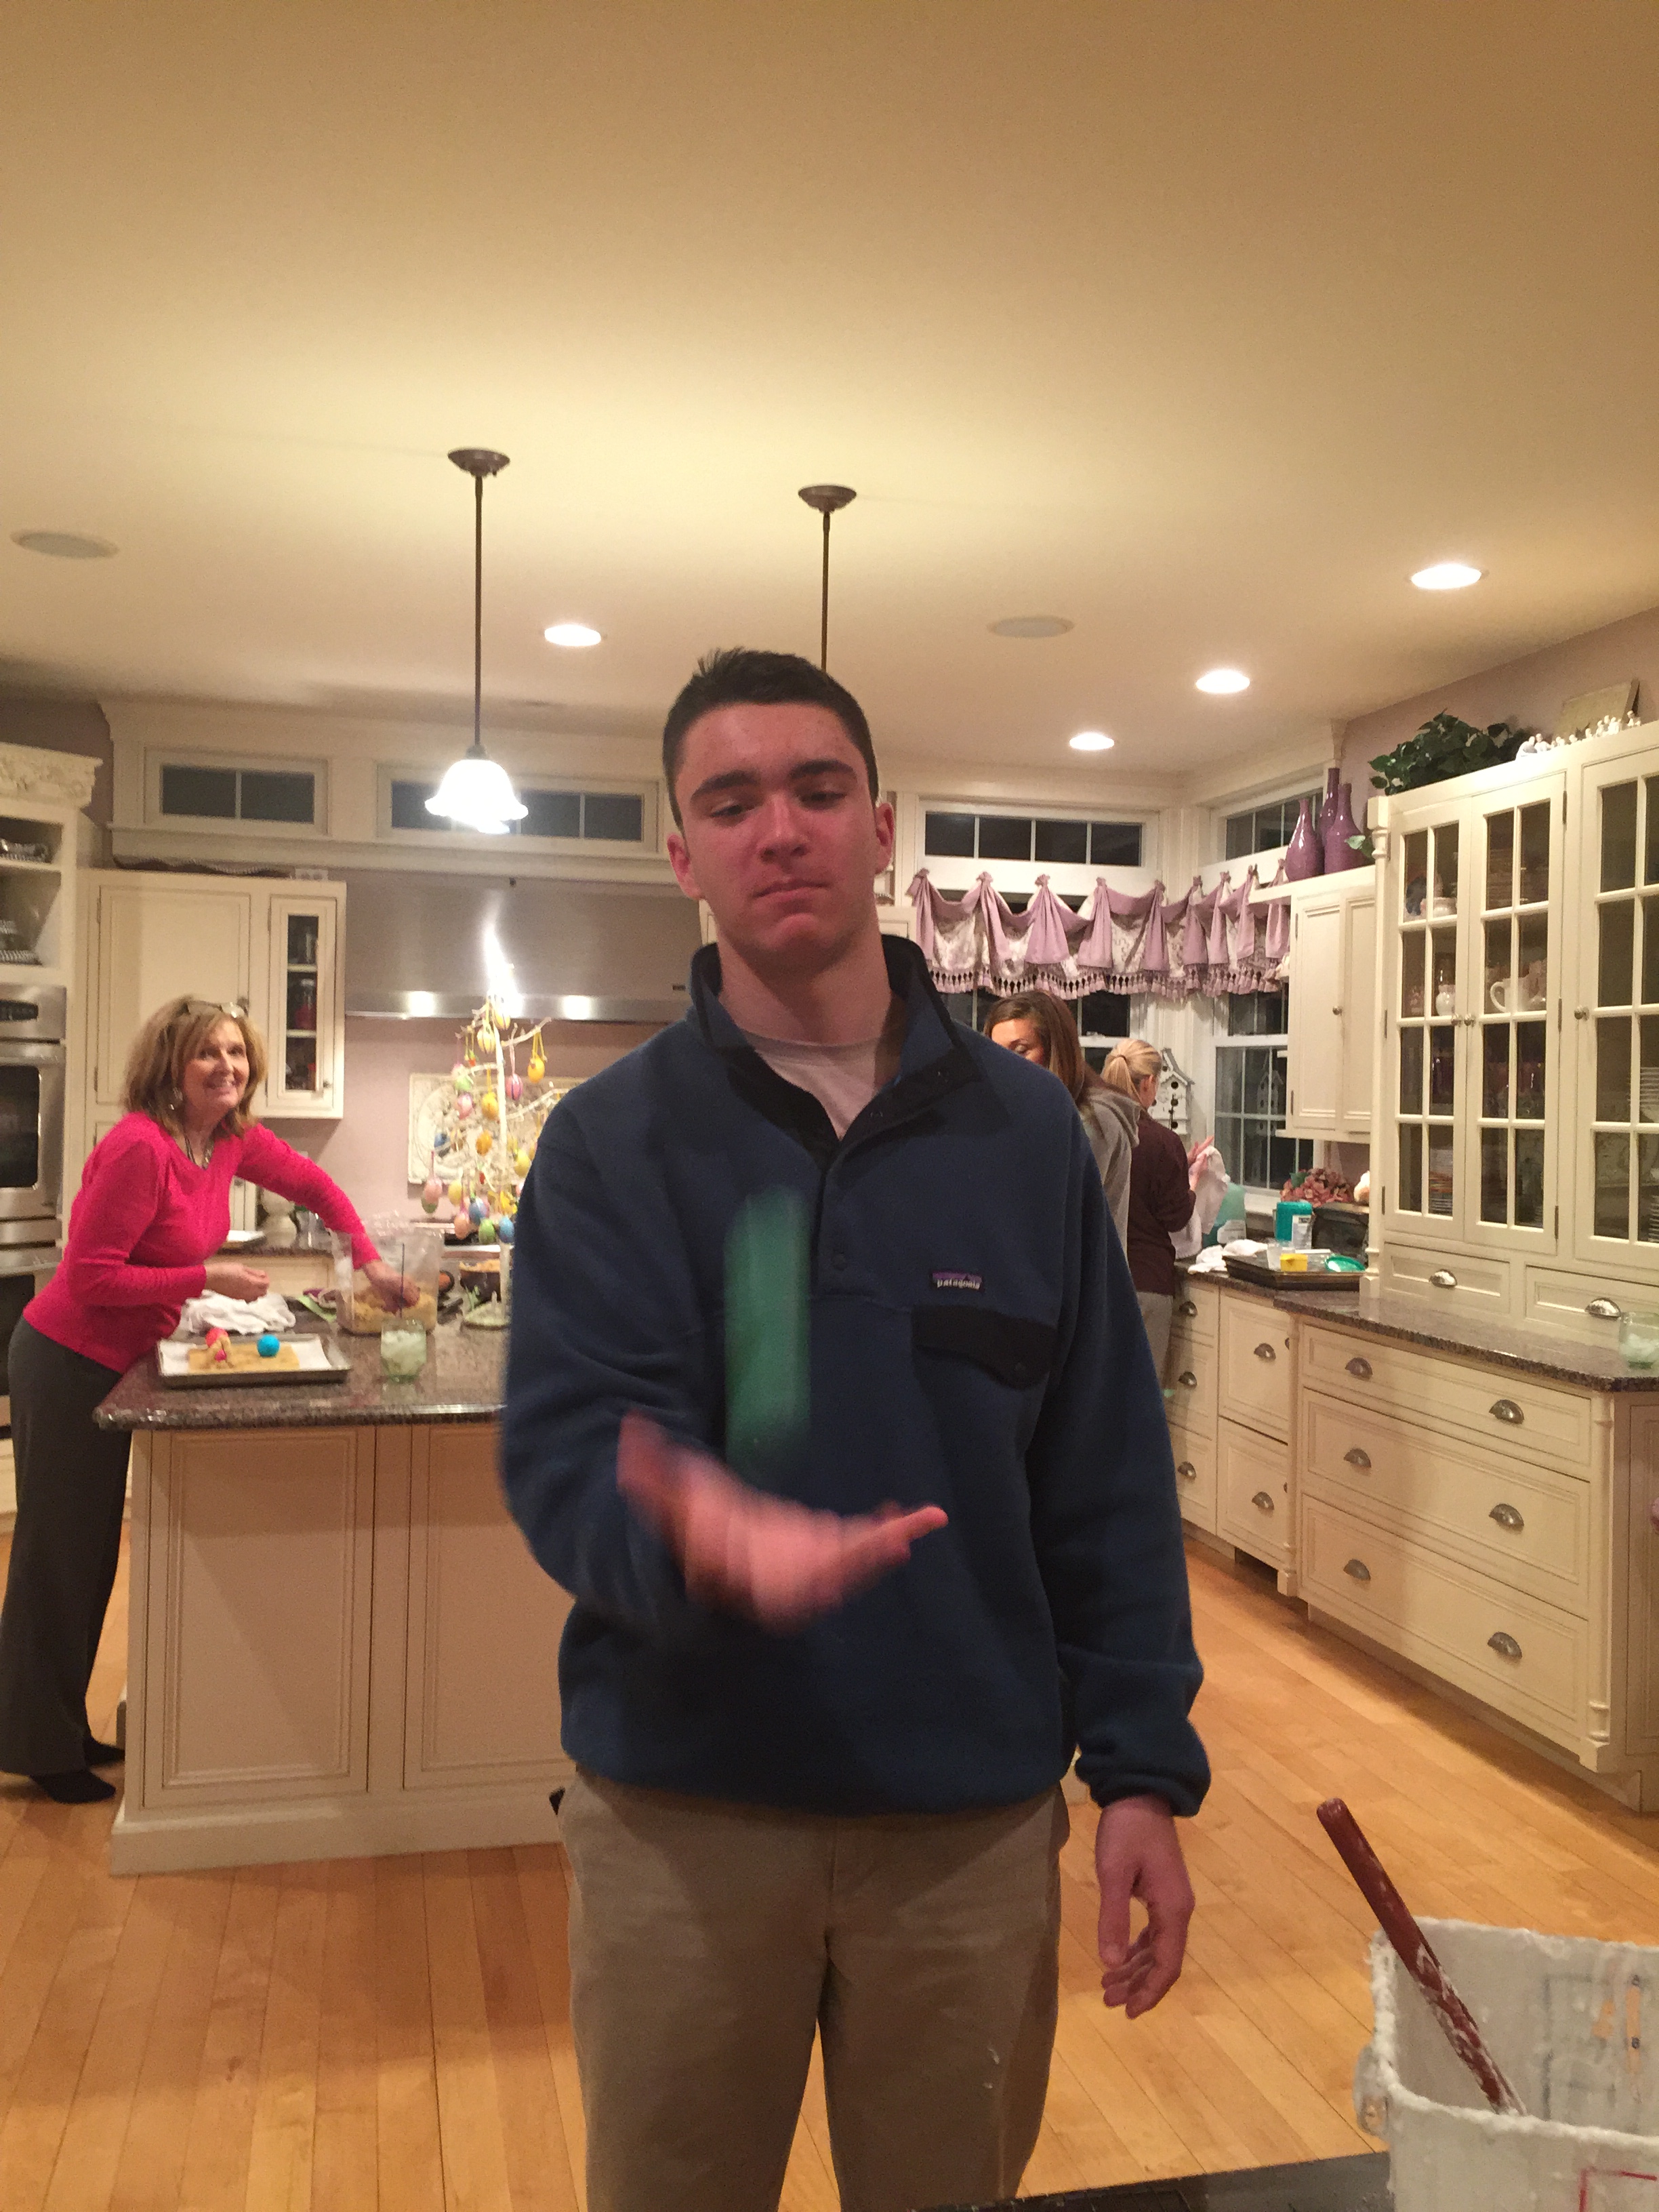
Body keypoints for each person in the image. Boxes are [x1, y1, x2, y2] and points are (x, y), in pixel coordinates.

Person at [502, 646, 1208, 2212]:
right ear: (681, 852)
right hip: (682, 1814)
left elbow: (1103, 1476)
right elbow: (561, 1450)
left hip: (966, 1827)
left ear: (880, 827)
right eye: (731, 801)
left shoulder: (1025, 1139)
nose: (780, 828)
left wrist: (1141, 1773)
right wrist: (692, 1530)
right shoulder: (612, 1143)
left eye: (817, 789)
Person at [0, 997, 403, 1805]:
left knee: (91, 1554)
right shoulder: (140, 1147)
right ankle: (38, 1745)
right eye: (207, 1053)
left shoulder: (225, 1140)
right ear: (170, 1067)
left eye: (236, 1052)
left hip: (115, 1363)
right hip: (68, 1359)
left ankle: (59, 1728)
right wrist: (206, 1277)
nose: (228, 1066)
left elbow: (316, 1185)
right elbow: (91, 1278)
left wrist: (370, 1261)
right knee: (59, 1556)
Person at [987, 989, 1139, 1247]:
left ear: (1056, 1051)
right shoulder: (1035, 1116)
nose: (1005, 1064)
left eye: (1021, 1051)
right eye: (996, 1053)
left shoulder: (1090, 1121)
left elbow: (1045, 1221)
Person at [1102, 1039, 1214, 1374]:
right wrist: (1191, 1182)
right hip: (1145, 1282)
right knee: (1140, 1390)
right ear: (1149, 1083)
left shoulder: (1093, 1130)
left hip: (1098, 1279)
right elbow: (1176, 1217)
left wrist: (1180, 1165)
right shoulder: (1161, 1142)